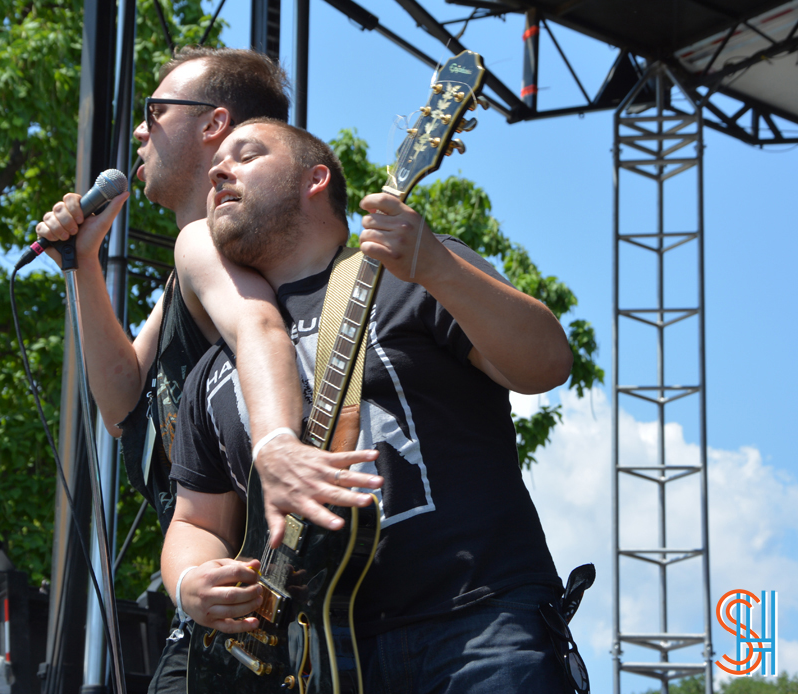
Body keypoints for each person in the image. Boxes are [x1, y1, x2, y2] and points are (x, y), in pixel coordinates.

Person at [164, 118, 579, 693]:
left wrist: (436, 264)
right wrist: (190, 581)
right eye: (217, 165)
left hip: (476, 627)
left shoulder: (411, 276)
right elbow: (195, 519)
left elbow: (547, 363)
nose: (218, 169)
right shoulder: (213, 369)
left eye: (248, 154)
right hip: (310, 663)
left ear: (316, 179)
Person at [34, 49, 379, 693]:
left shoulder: (201, 247)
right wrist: (83, 265)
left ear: (213, 124)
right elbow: (124, 409)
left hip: (263, 600)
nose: (140, 131)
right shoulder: (190, 266)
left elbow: (259, 329)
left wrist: (275, 441)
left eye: (155, 112)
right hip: (250, 608)